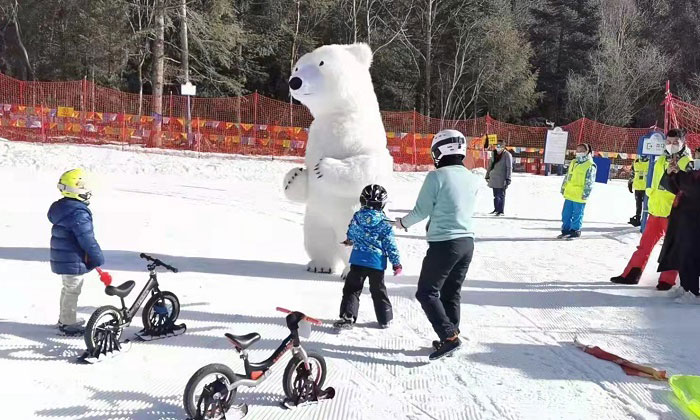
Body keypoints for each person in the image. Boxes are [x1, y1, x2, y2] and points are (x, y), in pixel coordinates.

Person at [393, 129, 479, 360]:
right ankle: (450, 334)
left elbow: (422, 210)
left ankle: (449, 338)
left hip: (444, 244)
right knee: (451, 292)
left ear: (440, 150)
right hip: (466, 243)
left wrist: (400, 223)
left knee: (426, 292)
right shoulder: (472, 177)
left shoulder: (437, 176)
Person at [611, 129, 692, 289]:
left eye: (675, 142)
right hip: (655, 210)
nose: (671, 145)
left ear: (683, 143)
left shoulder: (686, 162)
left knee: (671, 248)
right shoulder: (661, 159)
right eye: (668, 142)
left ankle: (667, 280)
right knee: (644, 245)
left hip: (673, 213)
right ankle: (631, 274)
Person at [48, 169, 108, 336]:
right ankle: (68, 323)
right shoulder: (78, 213)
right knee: (73, 289)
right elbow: (87, 239)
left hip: (65, 257)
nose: (88, 191)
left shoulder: (63, 208)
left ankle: (65, 318)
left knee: (68, 288)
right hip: (72, 258)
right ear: (76, 188)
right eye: (85, 186)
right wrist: (97, 257)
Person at [334, 184, 401, 329]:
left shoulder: (357, 217)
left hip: (358, 261)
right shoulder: (384, 222)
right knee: (378, 291)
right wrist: (396, 263)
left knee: (352, 289)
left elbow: (352, 231)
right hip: (376, 263)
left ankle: (348, 316)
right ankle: (385, 318)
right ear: (382, 203)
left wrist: (349, 240)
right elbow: (390, 244)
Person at [657, 157, 700, 303]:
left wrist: (679, 174)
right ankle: (685, 287)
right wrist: (671, 174)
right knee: (682, 252)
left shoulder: (692, 176)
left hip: (695, 222)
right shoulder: (693, 172)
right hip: (683, 219)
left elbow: (693, 189)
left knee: (691, 255)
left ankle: (693, 292)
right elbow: (676, 187)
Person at [558, 143, 597, 239]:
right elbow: (568, 176)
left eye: (581, 151)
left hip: (579, 195)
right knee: (566, 214)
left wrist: (585, 193)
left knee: (577, 214)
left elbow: (590, 181)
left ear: (587, 152)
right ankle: (565, 230)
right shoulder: (573, 162)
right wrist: (563, 188)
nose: (579, 153)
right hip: (569, 193)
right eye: (578, 150)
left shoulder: (590, 165)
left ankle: (575, 231)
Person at [485, 140, 512, 216]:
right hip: (494, 177)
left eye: (500, 146)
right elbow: (490, 165)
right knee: (495, 195)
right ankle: (496, 209)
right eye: (497, 145)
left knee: (501, 195)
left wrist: (508, 178)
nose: (498, 147)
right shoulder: (494, 153)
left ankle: (501, 211)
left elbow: (509, 167)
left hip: (502, 178)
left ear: (503, 147)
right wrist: (487, 175)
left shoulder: (507, 155)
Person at [627, 155, 650, 227]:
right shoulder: (636, 162)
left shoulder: (651, 162)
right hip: (638, 187)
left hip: (647, 188)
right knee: (638, 204)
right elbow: (632, 173)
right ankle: (638, 218)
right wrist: (630, 183)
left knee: (648, 205)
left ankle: (647, 220)